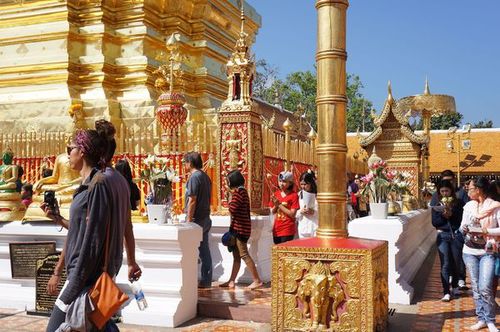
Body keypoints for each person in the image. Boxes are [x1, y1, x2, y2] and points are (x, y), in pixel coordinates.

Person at [43, 128, 131, 331]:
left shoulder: (98, 184)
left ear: (82, 151)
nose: (67, 155)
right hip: (86, 274)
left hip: (86, 277)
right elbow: (82, 229)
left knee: (57, 328)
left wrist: (73, 284)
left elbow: (93, 240)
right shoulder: (89, 184)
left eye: (69, 149)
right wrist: (57, 218)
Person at [460, 177, 500, 332]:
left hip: (487, 251)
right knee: (476, 287)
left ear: (478, 189)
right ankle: (481, 318)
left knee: (485, 287)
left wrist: (486, 231)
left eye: (470, 188)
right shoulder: (469, 206)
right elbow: (462, 225)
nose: (468, 191)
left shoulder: (495, 207)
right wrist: (465, 228)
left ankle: (490, 320)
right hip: (469, 251)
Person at [219, 170, 262, 290]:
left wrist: (230, 197)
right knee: (236, 256)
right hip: (240, 228)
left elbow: (232, 209)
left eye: (228, 181)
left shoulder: (239, 193)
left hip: (240, 230)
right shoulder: (242, 192)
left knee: (244, 254)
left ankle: (257, 280)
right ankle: (231, 280)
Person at [430, 169, 468, 289]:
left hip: (456, 234)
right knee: (445, 262)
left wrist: (452, 214)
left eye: (450, 182)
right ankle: (446, 290)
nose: (445, 192)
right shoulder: (437, 197)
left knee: (457, 260)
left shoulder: (460, 195)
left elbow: (464, 216)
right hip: (443, 234)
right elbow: (434, 219)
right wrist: (443, 215)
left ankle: (460, 280)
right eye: (443, 189)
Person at [183, 151, 212, 288]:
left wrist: (188, 220)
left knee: (190, 250)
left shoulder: (195, 177)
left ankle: (190, 279)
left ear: (190, 163)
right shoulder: (205, 176)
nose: (184, 165)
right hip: (205, 217)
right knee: (204, 249)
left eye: (185, 162)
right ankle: (206, 279)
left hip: (196, 219)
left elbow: (192, 200)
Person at [269, 171, 299, 244]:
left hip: (287, 229)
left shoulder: (294, 195)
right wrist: (276, 205)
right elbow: (272, 212)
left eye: (284, 182)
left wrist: (279, 204)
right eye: (280, 181)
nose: (281, 184)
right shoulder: (276, 194)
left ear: (290, 183)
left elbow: (292, 214)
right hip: (276, 229)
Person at [296, 170, 318, 238]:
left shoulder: (318, 195)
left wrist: (313, 212)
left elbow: (323, 212)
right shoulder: (298, 195)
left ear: (310, 183)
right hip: (303, 228)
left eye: (305, 184)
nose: (303, 186)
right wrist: (301, 211)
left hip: (315, 227)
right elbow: (294, 213)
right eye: (301, 184)